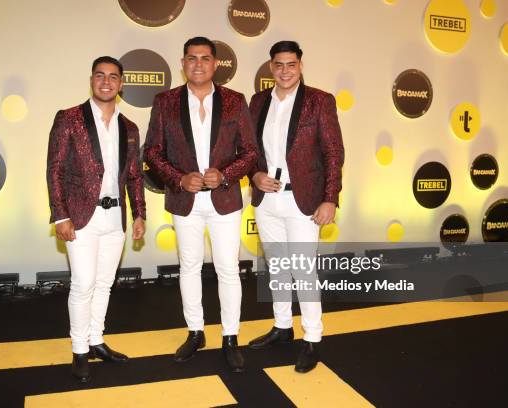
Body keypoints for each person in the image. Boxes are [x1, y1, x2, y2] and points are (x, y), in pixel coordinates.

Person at [144, 36, 258, 373]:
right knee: (189, 267)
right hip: (185, 200)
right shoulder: (164, 101)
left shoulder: (236, 101)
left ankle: (230, 337)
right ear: (182, 63)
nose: (198, 64)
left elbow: (250, 151)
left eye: (205, 58)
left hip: (225, 200)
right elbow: (152, 150)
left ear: (215, 64)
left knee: (228, 268)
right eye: (191, 58)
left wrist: (224, 175)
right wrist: (179, 179)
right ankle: (195, 332)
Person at [47, 56, 146, 382]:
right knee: (83, 284)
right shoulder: (69, 118)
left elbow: (133, 176)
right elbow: (55, 170)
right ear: (92, 80)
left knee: (104, 284)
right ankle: (79, 350)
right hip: (80, 218)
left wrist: (140, 214)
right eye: (100, 75)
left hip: (115, 218)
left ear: (121, 84)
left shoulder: (129, 128)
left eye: (113, 77)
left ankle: (96, 341)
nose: (106, 81)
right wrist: (60, 215)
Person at [247, 41, 344, 373]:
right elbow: (249, 150)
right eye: (278, 64)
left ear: (300, 65)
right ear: (271, 67)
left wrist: (330, 198)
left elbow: (333, 153)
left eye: (291, 64)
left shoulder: (319, 100)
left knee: (303, 269)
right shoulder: (259, 101)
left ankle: (313, 337)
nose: (284, 70)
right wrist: (255, 174)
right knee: (276, 267)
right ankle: (282, 326)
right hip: (267, 199)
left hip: (304, 200)